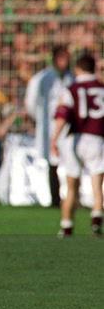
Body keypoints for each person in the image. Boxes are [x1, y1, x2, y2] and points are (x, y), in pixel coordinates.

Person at [51, 53, 103, 238]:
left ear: (78, 69)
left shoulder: (71, 89)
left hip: (75, 139)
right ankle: (96, 222)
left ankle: (66, 226)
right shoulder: (101, 88)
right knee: (97, 185)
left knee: (72, 185)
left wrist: (54, 139)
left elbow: (63, 115)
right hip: (97, 139)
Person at [24, 45, 73, 207]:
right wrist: (42, 121)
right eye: (61, 58)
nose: (64, 62)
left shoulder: (72, 78)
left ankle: (73, 198)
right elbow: (31, 104)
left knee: (71, 162)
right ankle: (55, 199)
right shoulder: (41, 79)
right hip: (49, 128)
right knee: (52, 163)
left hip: (68, 127)